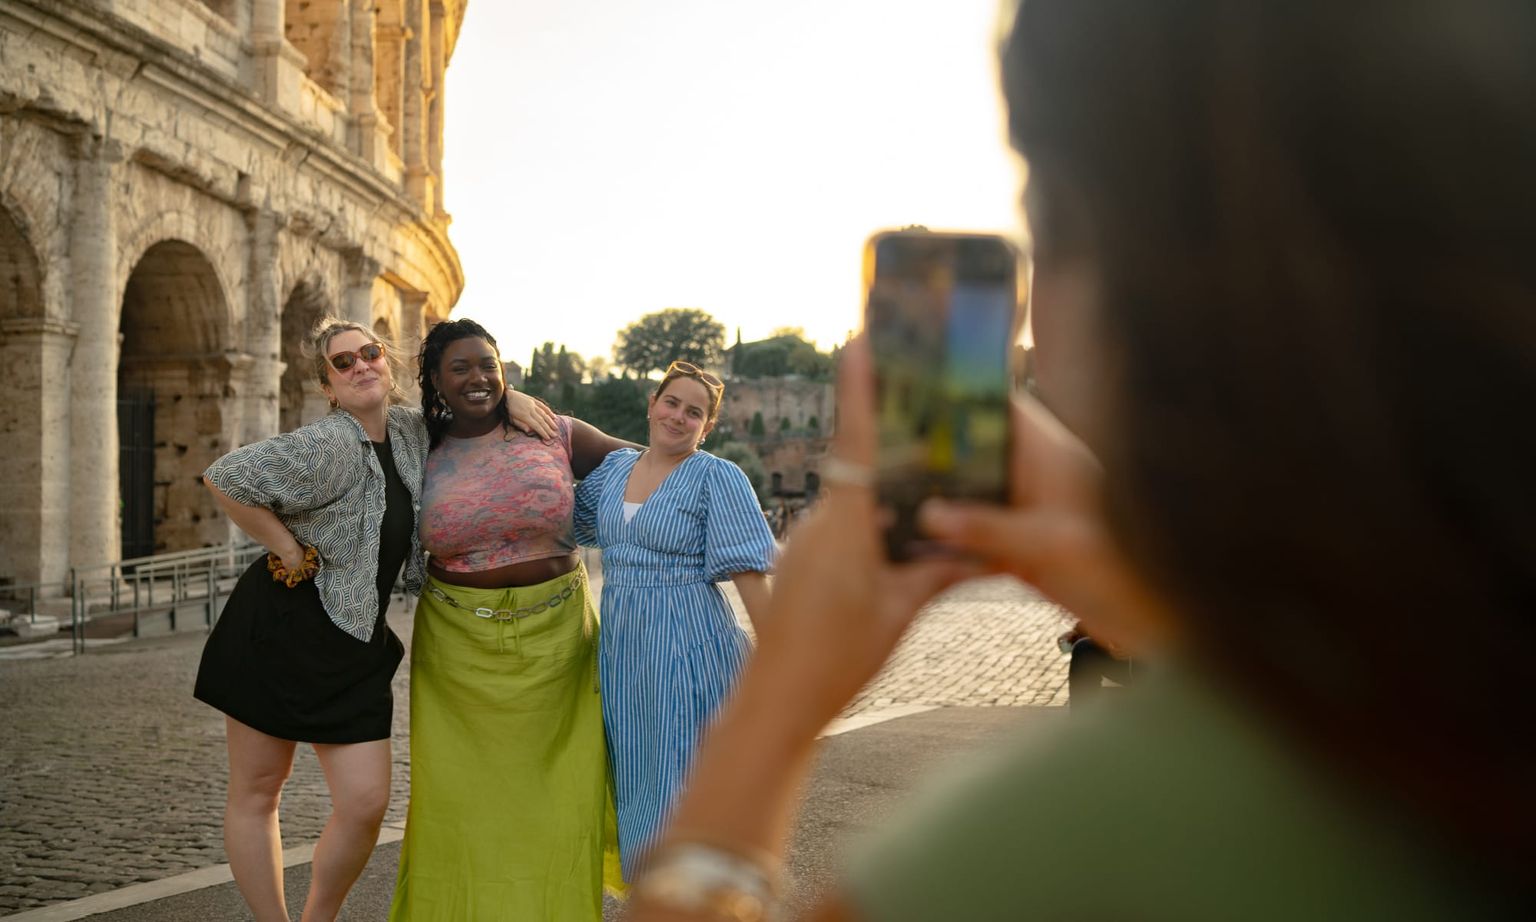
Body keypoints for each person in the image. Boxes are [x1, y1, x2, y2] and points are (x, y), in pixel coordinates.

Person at [622, 1, 1533, 919]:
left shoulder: (1047, 848)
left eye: (1043, 234)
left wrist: (767, 719)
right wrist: (1162, 601)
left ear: (1121, 290)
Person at [194, 318, 552, 922]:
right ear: (329, 387)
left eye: (370, 353)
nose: (360, 365)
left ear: (388, 366)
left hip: (354, 641)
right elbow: (226, 476)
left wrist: (508, 393)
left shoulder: (412, 433)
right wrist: (284, 547)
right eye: (342, 362)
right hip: (277, 628)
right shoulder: (327, 442)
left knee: (364, 803)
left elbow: (467, 409)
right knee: (258, 792)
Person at [388, 318, 634, 921]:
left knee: (561, 801)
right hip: (458, 656)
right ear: (435, 380)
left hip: (561, 649)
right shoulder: (415, 445)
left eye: (488, 366)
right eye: (460, 368)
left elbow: (651, 470)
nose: (478, 378)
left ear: (506, 371)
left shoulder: (555, 431)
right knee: (460, 806)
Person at [572, 360, 776, 879]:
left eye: (695, 412)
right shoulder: (614, 471)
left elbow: (751, 574)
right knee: (637, 782)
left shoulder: (717, 476)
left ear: (707, 427)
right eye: (672, 403)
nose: (679, 417)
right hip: (624, 650)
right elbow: (553, 517)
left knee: (684, 785)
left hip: (691, 645)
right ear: (651, 405)